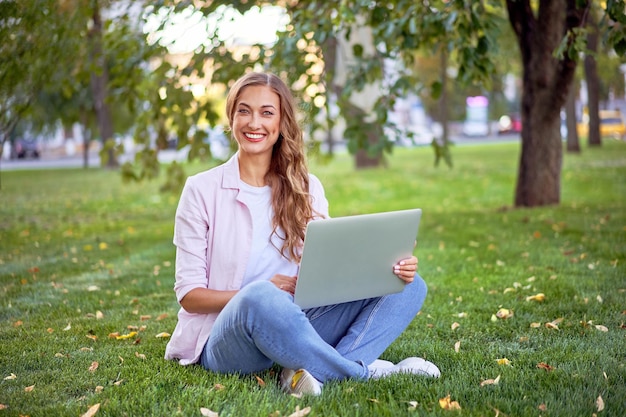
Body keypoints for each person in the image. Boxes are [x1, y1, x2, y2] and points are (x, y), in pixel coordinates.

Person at [164, 72, 440, 396]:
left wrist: (385, 264)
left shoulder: (306, 187)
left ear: (282, 122)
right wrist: (261, 290)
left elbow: (331, 268)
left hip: (297, 321)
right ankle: (363, 372)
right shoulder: (201, 190)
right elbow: (190, 296)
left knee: (408, 287)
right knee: (260, 297)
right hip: (225, 338)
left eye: (267, 112)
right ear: (231, 116)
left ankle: (304, 374)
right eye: (244, 110)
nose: (255, 122)